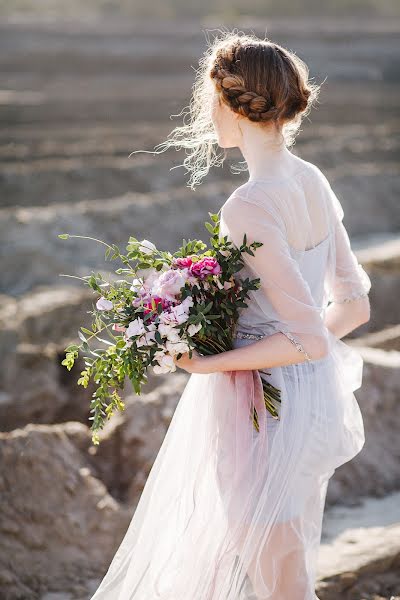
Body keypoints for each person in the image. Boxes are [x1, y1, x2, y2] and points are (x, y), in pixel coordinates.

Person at [90, 30, 371, 600]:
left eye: (207, 96)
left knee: (277, 579)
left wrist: (210, 363)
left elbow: (308, 338)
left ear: (232, 102)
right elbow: (353, 307)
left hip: (259, 412)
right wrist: (287, 353)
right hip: (307, 398)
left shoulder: (249, 205)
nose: (205, 109)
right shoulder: (311, 179)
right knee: (286, 570)